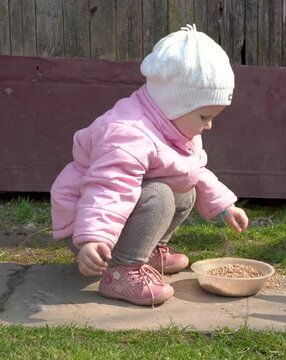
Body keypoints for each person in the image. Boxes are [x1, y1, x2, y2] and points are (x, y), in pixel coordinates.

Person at [50, 24, 249, 306]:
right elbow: (109, 188)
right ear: (175, 103)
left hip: (115, 221)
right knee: (160, 195)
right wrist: (92, 238)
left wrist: (224, 207)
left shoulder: (174, 126)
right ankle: (122, 272)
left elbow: (193, 170)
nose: (210, 125)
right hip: (91, 225)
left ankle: (148, 249)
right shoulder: (128, 133)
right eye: (205, 116)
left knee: (185, 190)